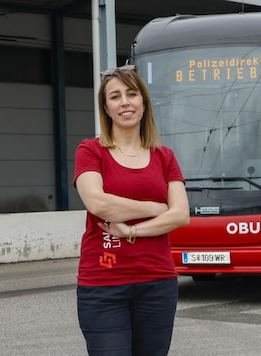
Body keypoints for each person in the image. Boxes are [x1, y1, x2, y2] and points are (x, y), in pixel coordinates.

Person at [73, 64, 190, 356]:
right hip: (103, 285)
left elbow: (180, 215)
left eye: (131, 93)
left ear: (143, 102)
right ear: (106, 108)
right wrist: (153, 207)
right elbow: (98, 203)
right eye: (115, 96)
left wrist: (132, 230)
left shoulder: (164, 156)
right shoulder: (90, 151)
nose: (124, 101)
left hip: (157, 283)